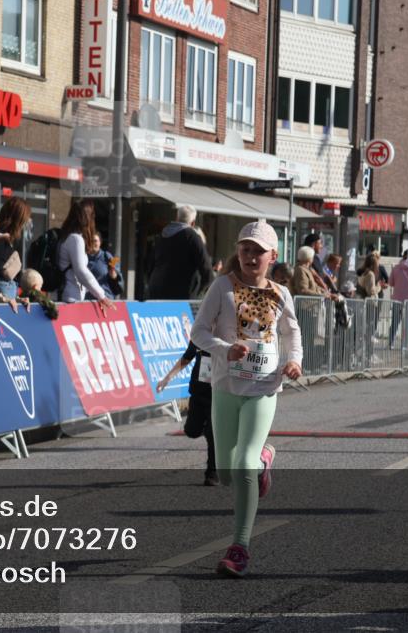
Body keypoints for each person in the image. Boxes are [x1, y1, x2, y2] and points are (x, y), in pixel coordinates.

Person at [191, 221, 303, 578]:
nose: (251, 257)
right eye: (245, 249)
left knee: (242, 462)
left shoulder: (281, 293)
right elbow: (198, 333)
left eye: (258, 251)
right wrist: (226, 349)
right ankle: (264, 461)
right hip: (225, 388)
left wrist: (295, 361)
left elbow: (291, 333)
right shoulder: (222, 287)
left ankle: (239, 547)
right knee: (226, 473)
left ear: (273, 256)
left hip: (263, 388)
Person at [157, 342, 217, 486]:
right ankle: (212, 430)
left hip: (218, 394)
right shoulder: (200, 334)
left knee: (211, 434)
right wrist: (167, 378)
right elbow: (186, 358)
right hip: (198, 392)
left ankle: (212, 473)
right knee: (191, 431)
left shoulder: (229, 333)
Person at [56, 200, 116, 311]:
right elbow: (81, 271)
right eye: (92, 216)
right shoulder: (75, 239)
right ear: (87, 218)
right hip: (71, 298)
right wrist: (101, 295)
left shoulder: (67, 236)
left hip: (69, 295)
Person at [147, 205, 213, 299]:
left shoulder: (161, 235)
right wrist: (198, 293)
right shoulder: (192, 236)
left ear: (176, 218)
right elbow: (207, 271)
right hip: (181, 296)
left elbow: (150, 265)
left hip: (156, 292)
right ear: (193, 223)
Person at [0, 197, 32, 312]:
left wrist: (17, 298)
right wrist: (1, 295)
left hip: (5, 294)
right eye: (25, 219)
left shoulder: (8, 238)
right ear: (18, 220)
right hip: (0, 296)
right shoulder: (2, 239)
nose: (26, 223)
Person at [85, 233, 123, 301]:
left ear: (100, 242)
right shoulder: (83, 258)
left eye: (95, 241)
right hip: (88, 301)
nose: (93, 243)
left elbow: (117, 278)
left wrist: (113, 275)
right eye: (90, 241)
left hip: (106, 299)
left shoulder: (107, 256)